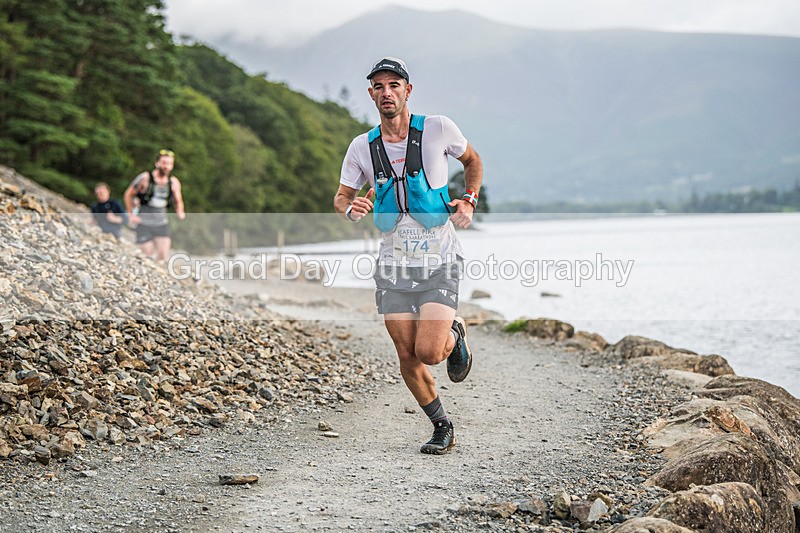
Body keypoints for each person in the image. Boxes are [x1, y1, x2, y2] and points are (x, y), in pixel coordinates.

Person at [334, 57, 484, 455]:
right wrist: (351, 209)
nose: (386, 92)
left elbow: (473, 161)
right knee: (405, 353)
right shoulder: (361, 147)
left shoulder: (437, 129)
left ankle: (455, 333)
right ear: (371, 94)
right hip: (393, 263)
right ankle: (441, 425)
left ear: (407, 91)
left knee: (429, 352)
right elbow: (342, 196)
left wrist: (468, 201)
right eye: (379, 86)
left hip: (440, 259)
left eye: (394, 85)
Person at [124, 149, 185, 262]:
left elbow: (178, 200)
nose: (166, 166)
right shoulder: (145, 179)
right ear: (157, 163)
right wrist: (131, 215)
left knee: (163, 257)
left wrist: (180, 211)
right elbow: (128, 195)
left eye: (169, 163)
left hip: (161, 223)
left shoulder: (173, 182)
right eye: (164, 163)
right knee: (146, 257)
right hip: (143, 222)